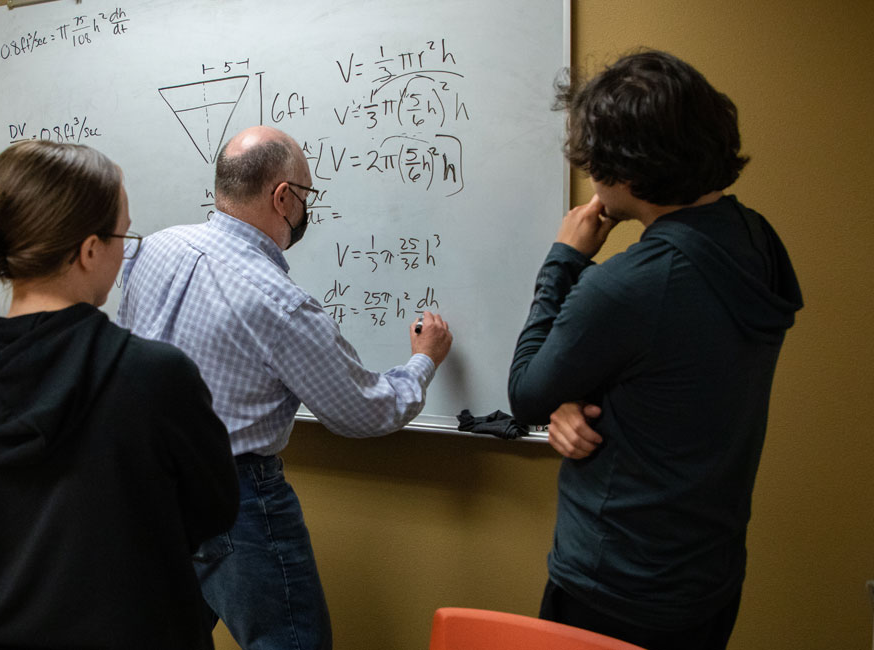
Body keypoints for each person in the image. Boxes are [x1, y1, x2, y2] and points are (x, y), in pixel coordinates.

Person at [508, 50, 803, 650]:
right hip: (707, 577)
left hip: (615, 587)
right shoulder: (755, 241)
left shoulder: (630, 286)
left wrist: (563, 259)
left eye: (594, 160)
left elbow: (526, 392)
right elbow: (675, 371)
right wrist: (573, 396)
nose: (590, 173)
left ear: (631, 174)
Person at [117, 125, 453, 650]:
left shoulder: (153, 250)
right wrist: (422, 361)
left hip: (147, 484)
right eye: (307, 196)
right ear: (283, 197)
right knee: (291, 642)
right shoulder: (280, 304)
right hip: (235, 500)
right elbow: (364, 412)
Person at [0, 140, 239, 650]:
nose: (124, 250)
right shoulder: (154, 376)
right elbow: (213, 514)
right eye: (123, 235)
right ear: (90, 250)